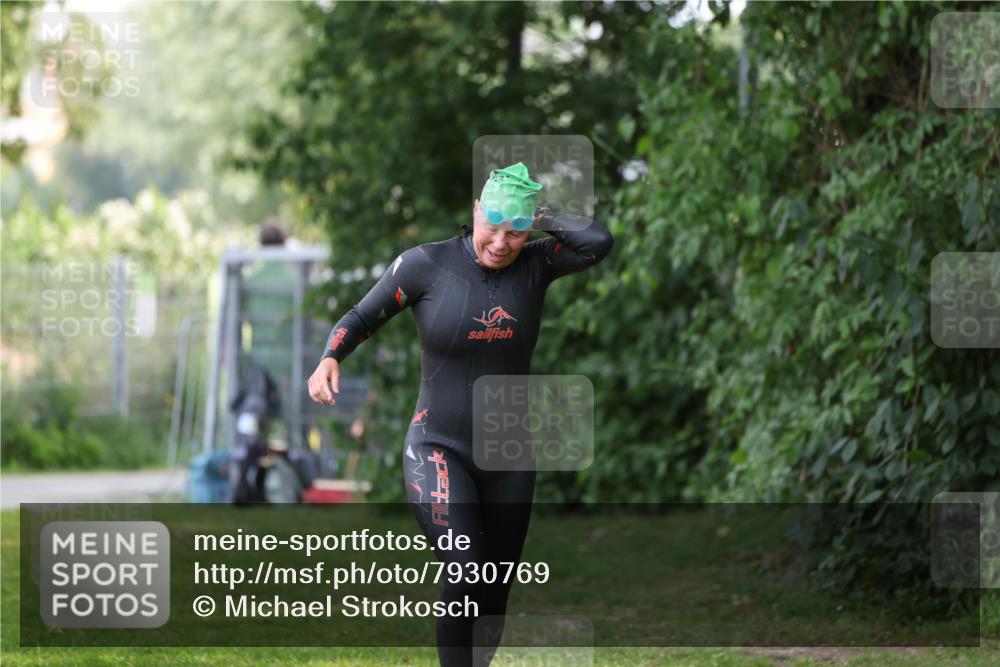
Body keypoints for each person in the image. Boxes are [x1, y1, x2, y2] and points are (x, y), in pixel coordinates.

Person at [307, 162, 613, 666]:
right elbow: (361, 316)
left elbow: (597, 241)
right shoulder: (425, 265)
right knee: (466, 568)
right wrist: (329, 358)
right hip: (437, 444)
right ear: (475, 211)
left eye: (515, 232)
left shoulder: (538, 264)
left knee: (493, 591)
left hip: (510, 452)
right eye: (492, 226)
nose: (500, 242)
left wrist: (539, 215)